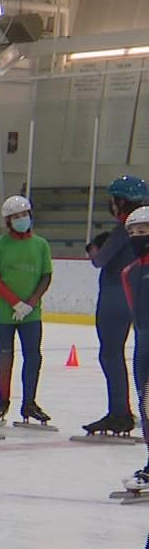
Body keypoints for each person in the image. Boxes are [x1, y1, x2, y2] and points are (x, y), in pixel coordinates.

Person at [0, 195, 54, 425]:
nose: (21, 219)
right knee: (5, 356)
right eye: (15, 217)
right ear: (8, 221)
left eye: (24, 215)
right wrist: (15, 302)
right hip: (3, 313)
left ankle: (29, 403)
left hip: (31, 314)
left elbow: (45, 275)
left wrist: (30, 303)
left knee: (33, 355)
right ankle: (3, 400)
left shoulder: (41, 245)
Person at [85, 176, 148, 436]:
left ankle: (119, 412)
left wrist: (93, 248)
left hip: (115, 297)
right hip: (137, 296)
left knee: (110, 354)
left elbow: (100, 260)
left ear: (120, 202)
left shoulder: (125, 229)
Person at [120, 206, 149, 485]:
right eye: (132, 233)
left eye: (143, 232)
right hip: (143, 351)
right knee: (147, 406)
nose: (137, 237)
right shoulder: (129, 272)